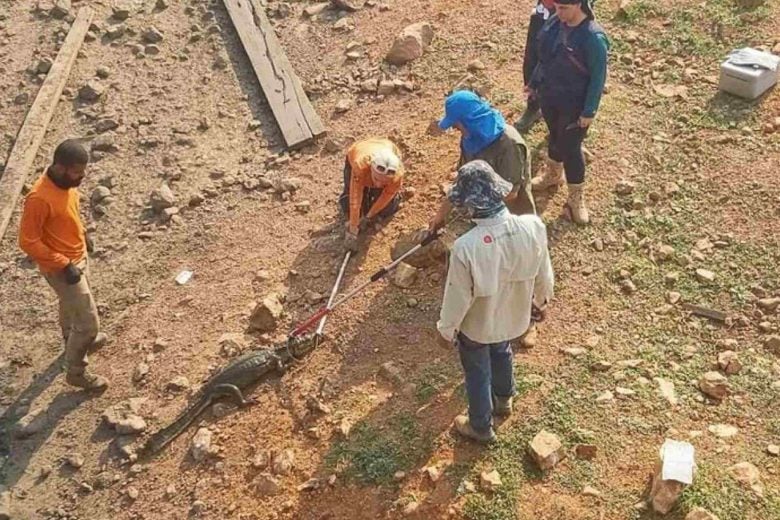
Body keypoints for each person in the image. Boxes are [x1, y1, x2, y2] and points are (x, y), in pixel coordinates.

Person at [436, 160, 554, 443]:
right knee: (502, 351)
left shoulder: (467, 247)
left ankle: (480, 426)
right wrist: (542, 301)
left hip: (478, 325)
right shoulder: (533, 226)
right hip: (514, 316)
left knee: (477, 369)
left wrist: (446, 329)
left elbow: (457, 295)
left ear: (470, 206)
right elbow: (544, 271)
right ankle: (504, 399)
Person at [429, 89, 540, 348]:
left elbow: (511, 193)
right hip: (482, 215)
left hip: (513, 216)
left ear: (470, 121)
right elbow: (463, 177)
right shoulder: (471, 140)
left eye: (457, 125)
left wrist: (474, 199)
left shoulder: (509, 144)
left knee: (519, 271)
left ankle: (528, 322)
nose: (457, 131)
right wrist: (440, 215)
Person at [19, 139, 108, 390]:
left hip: (77, 258)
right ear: (60, 167)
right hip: (61, 268)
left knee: (70, 308)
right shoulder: (38, 198)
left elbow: (69, 213)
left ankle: (72, 340)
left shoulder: (68, 185)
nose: (82, 176)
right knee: (90, 324)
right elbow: (28, 241)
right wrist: (62, 263)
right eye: (77, 171)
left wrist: (82, 233)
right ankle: (76, 373)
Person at [528, 0, 609, 225]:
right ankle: (553, 175)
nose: (558, 13)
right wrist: (534, 83)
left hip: (575, 104)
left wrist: (589, 110)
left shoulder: (593, 38)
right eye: (558, 7)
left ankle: (576, 198)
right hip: (551, 96)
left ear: (579, 5)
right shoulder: (555, 23)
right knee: (554, 136)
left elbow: (598, 78)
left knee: (571, 148)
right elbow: (545, 57)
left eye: (564, 8)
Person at [338, 138, 404, 252]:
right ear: (371, 168)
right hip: (359, 150)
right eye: (376, 179)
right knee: (349, 205)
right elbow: (355, 198)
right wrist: (353, 228)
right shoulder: (360, 167)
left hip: (386, 146)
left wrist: (369, 216)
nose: (378, 184)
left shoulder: (397, 176)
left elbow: (386, 196)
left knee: (387, 207)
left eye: (384, 182)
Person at [515, 0, 557, 134]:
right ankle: (533, 107)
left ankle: (559, 121)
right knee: (531, 60)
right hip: (542, 13)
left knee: (560, 65)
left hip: (567, 13)